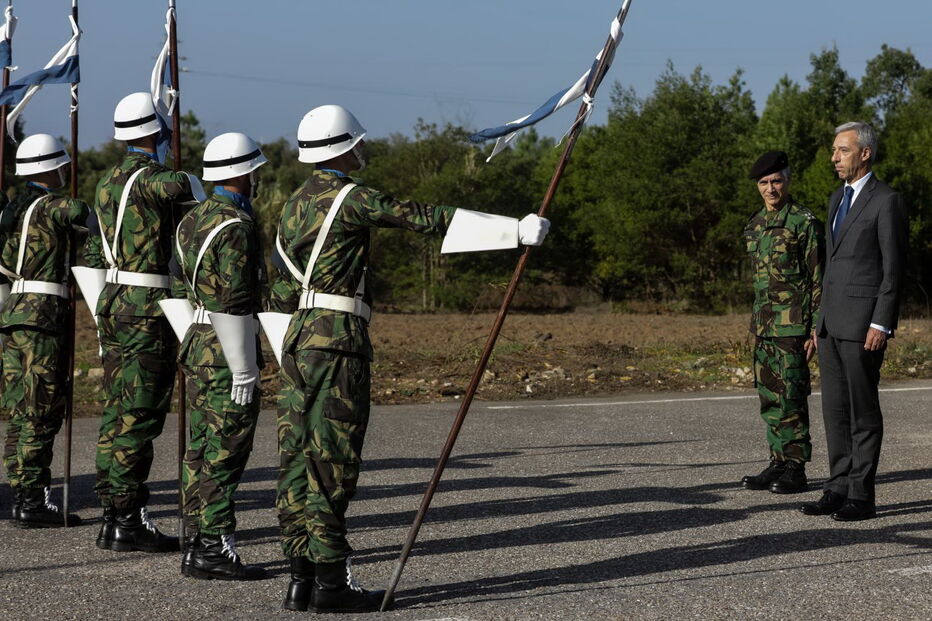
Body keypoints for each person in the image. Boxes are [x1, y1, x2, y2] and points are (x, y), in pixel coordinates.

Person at [272, 104, 550, 613]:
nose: (365, 147)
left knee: (297, 457)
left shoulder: (292, 204)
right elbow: (423, 218)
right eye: (359, 141)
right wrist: (514, 231)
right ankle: (333, 584)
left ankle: (301, 576)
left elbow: (280, 280)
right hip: (337, 338)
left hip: (295, 338)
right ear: (345, 146)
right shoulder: (351, 198)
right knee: (332, 460)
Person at [84, 92, 197, 551]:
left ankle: (114, 514)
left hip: (112, 301)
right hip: (145, 304)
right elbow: (189, 193)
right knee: (139, 416)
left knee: (116, 413)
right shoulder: (156, 181)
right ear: (155, 132)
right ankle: (129, 519)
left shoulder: (107, 181)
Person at [168, 132, 267, 580]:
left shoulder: (191, 220)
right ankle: (215, 546)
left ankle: (196, 538)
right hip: (230, 347)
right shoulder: (237, 225)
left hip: (197, 340)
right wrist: (245, 366)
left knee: (201, 448)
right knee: (227, 450)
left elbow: (174, 284)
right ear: (244, 173)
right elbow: (235, 298)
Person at [800, 121, 907, 521]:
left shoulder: (886, 200)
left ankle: (861, 495)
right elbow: (831, 267)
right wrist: (818, 320)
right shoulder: (835, 200)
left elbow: (893, 269)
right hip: (830, 326)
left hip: (863, 326)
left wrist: (882, 323)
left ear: (865, 153)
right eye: (834, 150)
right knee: (834, 412)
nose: (834, 158)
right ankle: (837, 486)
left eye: (841, 151)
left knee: (863, 412)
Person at [0, 134, 86, 527]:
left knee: (21, 406)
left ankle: (22, 491)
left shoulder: (14, 209)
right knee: (41, 407)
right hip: (42, 314)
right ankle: (34, 499)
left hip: (14, 311)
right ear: (52, 168)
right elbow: (86, 214)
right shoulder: (53, 206)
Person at [740, 151, 824, 494]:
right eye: (764, 183)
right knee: (769, 397)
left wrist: (815, 329)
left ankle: (796, 467)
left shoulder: (803, 222)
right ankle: (777, 460)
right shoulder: (754, 224)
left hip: (793, 328)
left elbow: (819, 278)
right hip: (763, 327)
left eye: (776, 181)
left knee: (791, 396)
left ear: (787, 181)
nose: (770, 188)